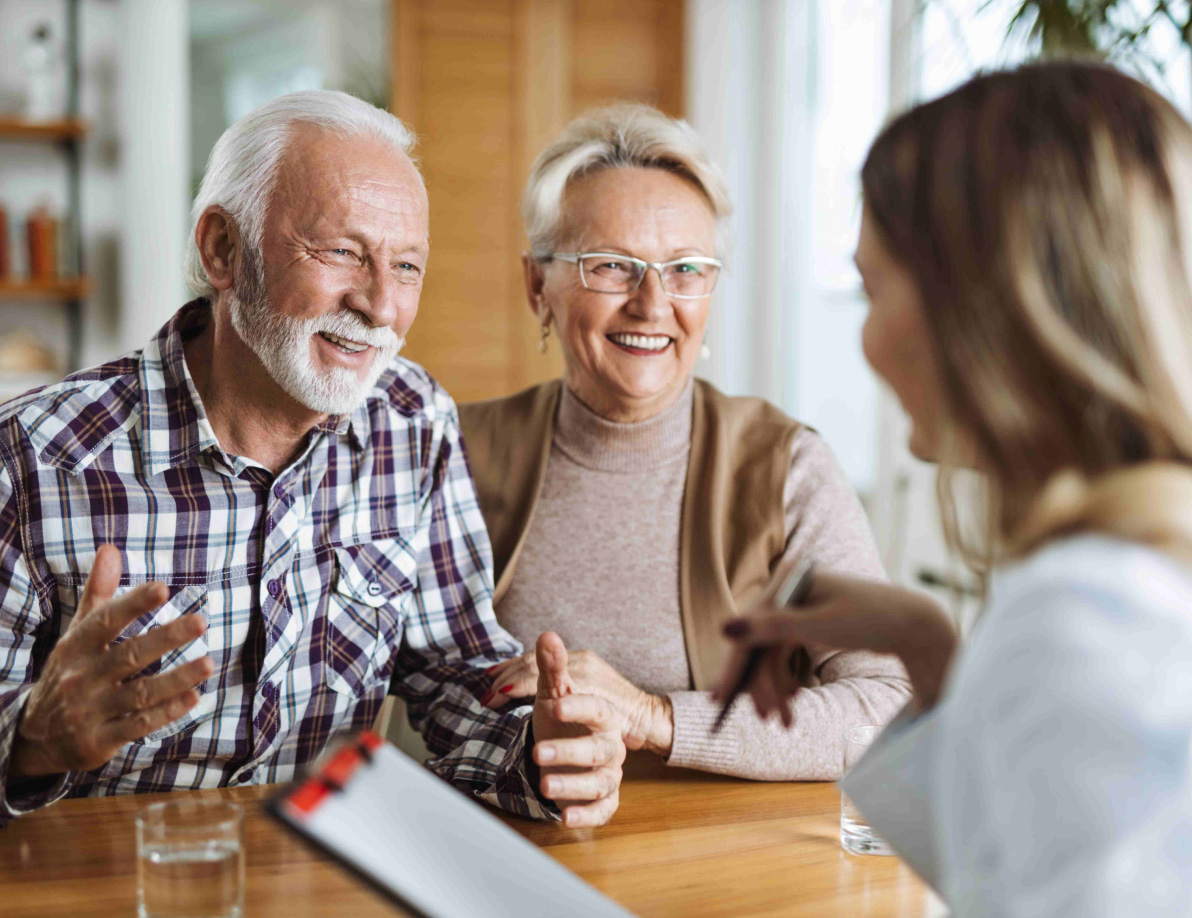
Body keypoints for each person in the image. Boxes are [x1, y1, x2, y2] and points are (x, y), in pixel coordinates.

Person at [0, 91, 624, 829]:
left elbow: (456, 674)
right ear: (223, 250)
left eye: (407, 266)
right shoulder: (32, 457)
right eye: (342, 253)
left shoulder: (412, 421)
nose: (380, 306)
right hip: (104, 877)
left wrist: (541, 751)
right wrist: (31, 742)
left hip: (321, 868)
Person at [716, 61, 1192, 916]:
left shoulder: (1087, 623)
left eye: (873, 289)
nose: (865, 341)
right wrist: (930, 653)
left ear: (984, 305)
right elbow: (1016, 864)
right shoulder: (1133, 583)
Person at [463, 104, 910, 780]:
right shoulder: (453, 453)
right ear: (537, 286)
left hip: (724, 848)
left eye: (686, 269)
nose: (652, 303)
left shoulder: (786, 468)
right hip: (517, 835)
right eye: (612, 266)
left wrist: (654, 718)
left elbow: (890, 706)